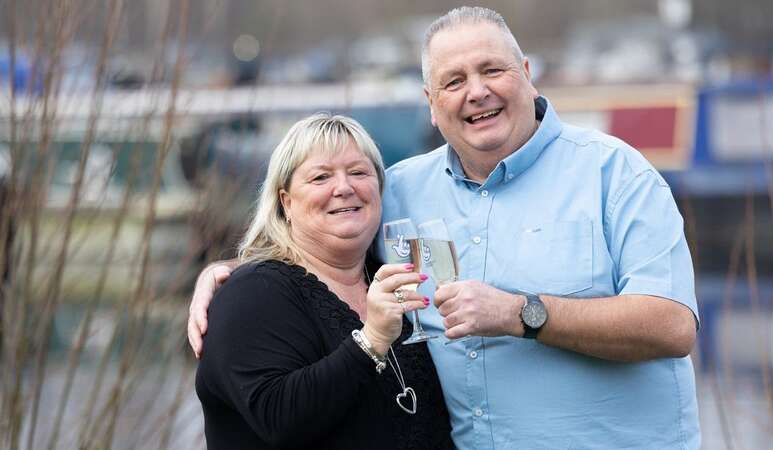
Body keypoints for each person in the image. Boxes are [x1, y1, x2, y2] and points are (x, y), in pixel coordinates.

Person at [190, 7, 701, 449]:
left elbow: (673, 325)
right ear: (432, 104)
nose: (476, 93)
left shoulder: (615, 174)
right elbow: (327, 240)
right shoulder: (402, 191)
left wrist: (521, 313)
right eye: (453, 81)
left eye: (492, 70)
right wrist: (238, 275)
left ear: (527, 74)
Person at [194, 113, 454, 450]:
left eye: (359, 172)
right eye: (320, 177)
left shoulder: (390, 275)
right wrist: (370, 341)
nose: (344, 188)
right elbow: (277, 417)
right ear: (286, 202)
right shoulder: (253, 294)